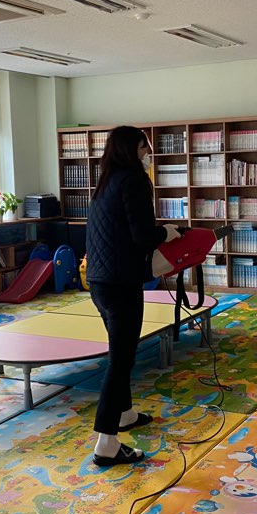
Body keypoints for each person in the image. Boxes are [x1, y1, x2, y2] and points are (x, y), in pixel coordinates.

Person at [85, 125, 180, 466]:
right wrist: (166, 232)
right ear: (132, 150)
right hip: (121, 283)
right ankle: (106, 443)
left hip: (99, 281)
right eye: (144, 147)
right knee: (121, 360)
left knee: (121, 351)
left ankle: (124, 413)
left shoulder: (105, 182)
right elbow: (142, 236)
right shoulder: (134, 180)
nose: (147, 154)